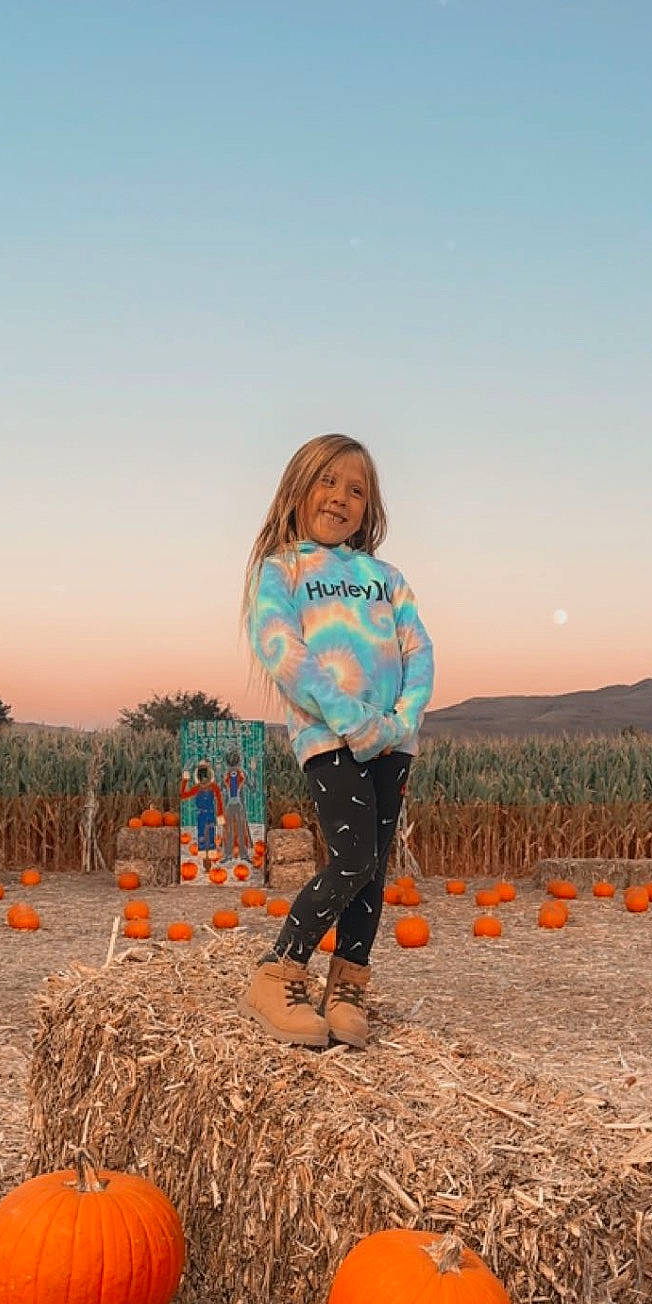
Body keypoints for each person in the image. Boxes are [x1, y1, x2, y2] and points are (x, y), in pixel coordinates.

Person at [239, 433, 434, 1049]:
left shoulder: (386, 578)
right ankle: (280, 971)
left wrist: (401, 722)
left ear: (369, 508)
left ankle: (347, 983)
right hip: (330, 737)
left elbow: (419, 651)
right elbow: (283, 652)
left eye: (356, 490)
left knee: (373, 871)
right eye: (327, 481)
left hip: (392, 743)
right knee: (350, 858)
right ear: (297, 488)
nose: (341, 497)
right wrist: (353, 719)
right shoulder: (283, 570)